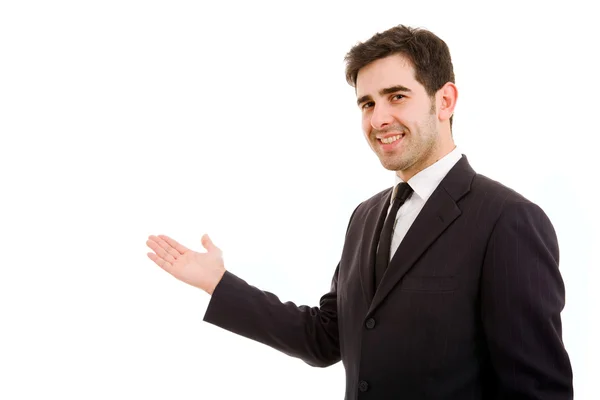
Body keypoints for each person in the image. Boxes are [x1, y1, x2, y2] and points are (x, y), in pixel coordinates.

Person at [146, 24, 573, 399]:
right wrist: (218, 284)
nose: (378, 118)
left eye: (397, 96)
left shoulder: (508, 220)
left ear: (445, 101)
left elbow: (537, 391)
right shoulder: (365, 217)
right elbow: (325, 338)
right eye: (367, 104)